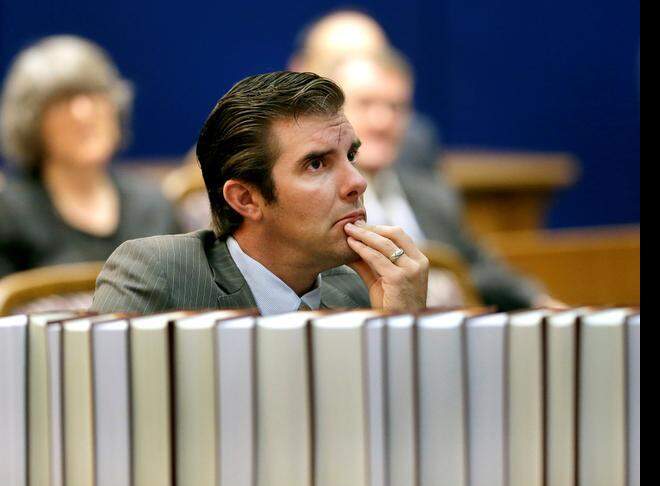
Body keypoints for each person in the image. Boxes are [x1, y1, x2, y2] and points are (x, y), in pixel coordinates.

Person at [90, 71, 428, 315]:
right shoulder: (159, 275)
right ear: (246, 199)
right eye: (316, 164)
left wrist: (400, 328)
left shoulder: (360, 288)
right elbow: (101, 406)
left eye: (350, 156)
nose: (357, 182)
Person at [322, 49, 565, 311]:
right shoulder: (323, 201)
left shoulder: (430, 192)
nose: (383, 121)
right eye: (365, 104)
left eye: (396, 107)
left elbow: (480, 266)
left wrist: (538, 301)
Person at [0, 35, 179, 278]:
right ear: (32, 122)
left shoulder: (152, 204)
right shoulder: (8, 214)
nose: (82, 113)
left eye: (93, 94)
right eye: (62, 100)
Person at [290, 9, 441, 173]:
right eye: (364, 102)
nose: (381, 121)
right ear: (300, 68)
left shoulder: (415, 144)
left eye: (376, 57)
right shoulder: (275, 140)